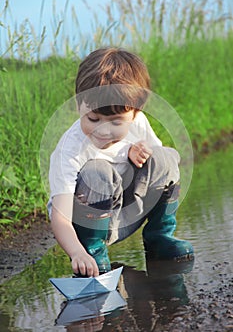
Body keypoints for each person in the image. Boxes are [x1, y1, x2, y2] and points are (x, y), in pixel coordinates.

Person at [48, 47, 194, 278]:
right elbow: (61, 217)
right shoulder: (70, 150)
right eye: (93, 119)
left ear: (136, 112)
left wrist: (140, 152)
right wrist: (77, 252)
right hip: (85, 225)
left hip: (127, 214)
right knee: (97, 171)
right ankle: (93, 251)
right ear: (78, 105)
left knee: (165, 156)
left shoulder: (138, 122)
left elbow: (163, 167)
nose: (103, 131)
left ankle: (160, 238)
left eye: (116, 122)